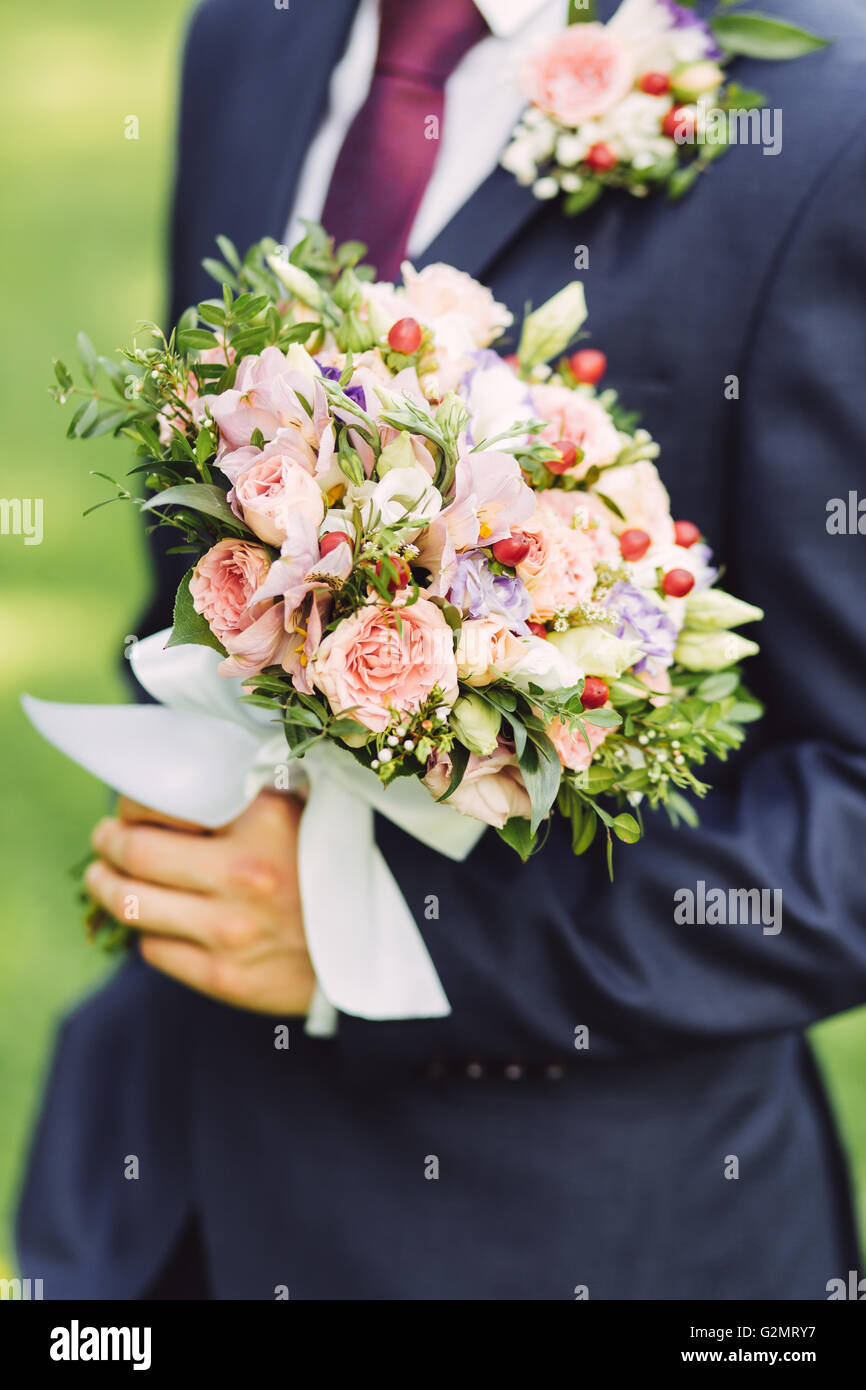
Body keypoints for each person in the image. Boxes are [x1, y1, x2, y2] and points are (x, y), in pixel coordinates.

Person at [17, 0, 866, 1299]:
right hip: (162, 1190)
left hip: (560, 1235)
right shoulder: (248, 34)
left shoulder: (824, 118)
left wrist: (398, 933)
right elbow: (194, 575)